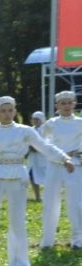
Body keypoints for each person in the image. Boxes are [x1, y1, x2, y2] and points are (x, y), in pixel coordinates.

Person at [0, 96, 73, 266]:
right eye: (3, 111)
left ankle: (18, 262)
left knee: (17, 220)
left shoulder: (25, 131)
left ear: (15, 112)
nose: (7, 114)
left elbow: (44, 146)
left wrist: (64, 158)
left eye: (10, 110)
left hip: (18, 174)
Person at [38, 91, 82, 249]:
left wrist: (76, 154)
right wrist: (60, 156)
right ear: (57, 106)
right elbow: (42, 143)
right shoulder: (51, 123)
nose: (66, 106)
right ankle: (47, 241)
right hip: (55, 165)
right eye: (63, 103)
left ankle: (78, 240)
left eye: (69, 103)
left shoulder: (80, 122)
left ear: (74, 104)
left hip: (75, 166)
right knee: (50, 202)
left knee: (76, 204)